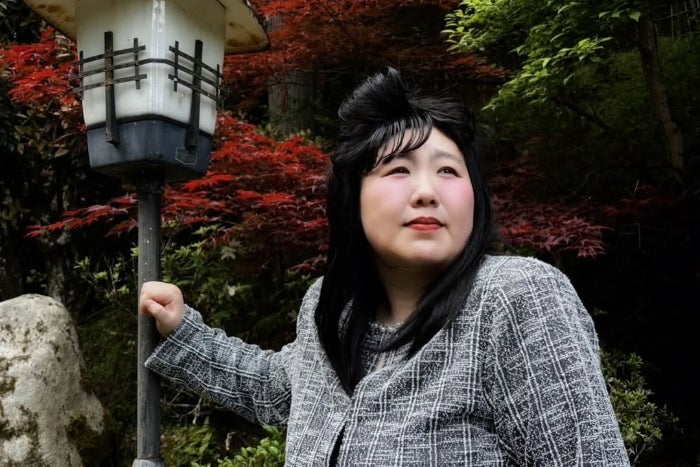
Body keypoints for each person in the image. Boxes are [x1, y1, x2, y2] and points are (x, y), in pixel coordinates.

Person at [140, 67, 630, 466]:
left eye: (448, 170)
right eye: (399, 169)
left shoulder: (513, 299)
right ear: (352, 199)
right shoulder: (332, 310)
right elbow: (278, 389)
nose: (427, 191)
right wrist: (183, 332)